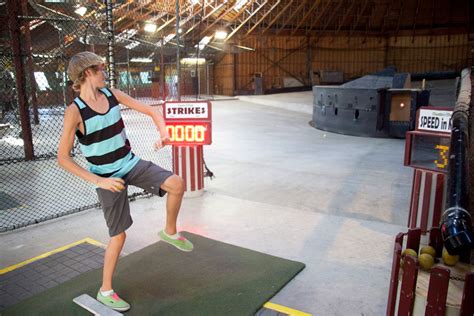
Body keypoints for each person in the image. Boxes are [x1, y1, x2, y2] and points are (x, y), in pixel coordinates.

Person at [57, 51, 193, 312]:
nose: (105, 73)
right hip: (107, 178)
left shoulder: (112, 95)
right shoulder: (74, 112)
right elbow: (62, 158)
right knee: (118, 236)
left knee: (176, 183)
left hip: (129, 164)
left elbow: (152, 110)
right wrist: (99, 181)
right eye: (101, 69)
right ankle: (105, 290)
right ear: (87, 73)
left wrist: (163, 132)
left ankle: (170, 231)